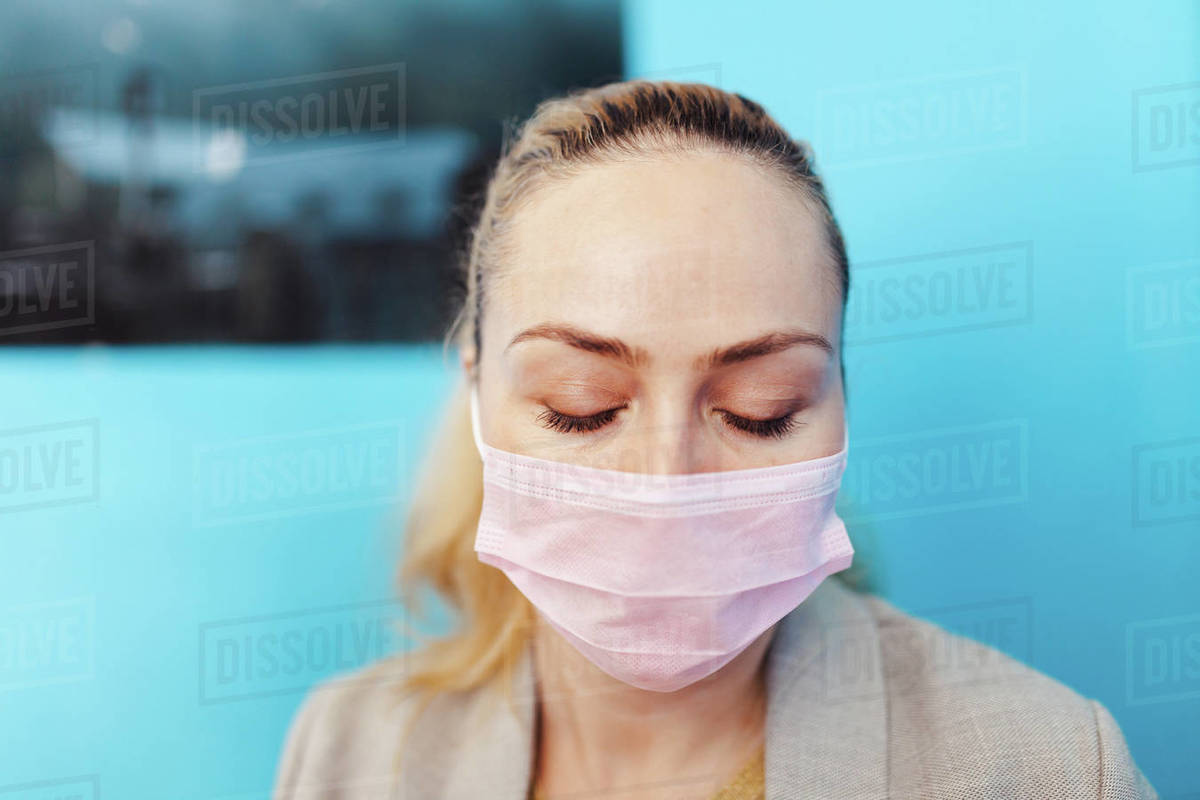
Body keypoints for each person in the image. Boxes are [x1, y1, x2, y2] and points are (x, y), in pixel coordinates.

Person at [271, 80, 1158, 800]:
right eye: (581, 407)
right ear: (476, 389)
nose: (666, 484)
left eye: (759, 410)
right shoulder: (349, 751)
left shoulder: (1047, 769)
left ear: (839, 403)